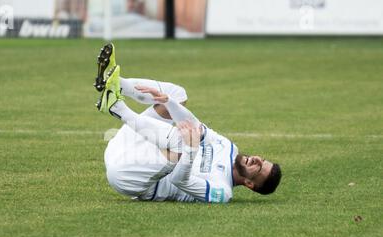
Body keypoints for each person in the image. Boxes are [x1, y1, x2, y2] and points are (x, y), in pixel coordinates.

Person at [93, 44, 281, 203]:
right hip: (124, 146)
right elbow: (194, 124)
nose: (257, 160)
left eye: (259, 168)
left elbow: (179, 180)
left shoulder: (222, 192)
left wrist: (191, 149)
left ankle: (115, 107)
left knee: (183, 142)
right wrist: (168, 102)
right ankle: (116, 84)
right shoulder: (229, 147)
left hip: (130, 176)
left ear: (250, 184)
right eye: (262, 160)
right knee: (178, 95)